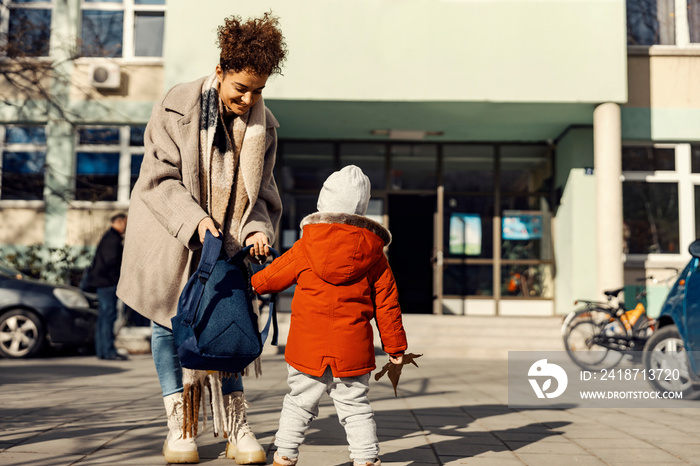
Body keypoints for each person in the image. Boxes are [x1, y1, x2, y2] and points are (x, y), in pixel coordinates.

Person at [116, 12, 286, 465]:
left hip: (224, 248)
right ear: (220, 71)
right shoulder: (178, 105)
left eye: (259, 90)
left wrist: (256, 232)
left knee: (228, 325)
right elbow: (158, 177)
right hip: (170, 236)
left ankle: (234, 426)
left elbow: (264, 195)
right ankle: (182, 426)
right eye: (240, 88)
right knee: (167, 325)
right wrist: (195, 221)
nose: (248, 98)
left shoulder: (264, 127)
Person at [251, 165, 408, 466]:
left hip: (306, 346)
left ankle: (284, 454)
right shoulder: (375, 256)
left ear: (323, 202)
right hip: (352, 348)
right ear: (361, 208)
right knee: (355, 406)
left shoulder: (305, 247)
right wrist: (396, 348)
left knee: (299, 402)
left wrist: (252, 280)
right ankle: (366, 459)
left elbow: (267, 280)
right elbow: (388, 306)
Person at [90, 212, 128, 361]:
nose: (126, 226)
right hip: (107, 283)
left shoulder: (109, 237)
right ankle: (108, 351)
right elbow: (111, 262)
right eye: (125, 222)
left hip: (103, 282)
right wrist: (116, 280)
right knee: (108, 316)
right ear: (118, 222)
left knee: (104, 317)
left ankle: (103, 350)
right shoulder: (112, 239)